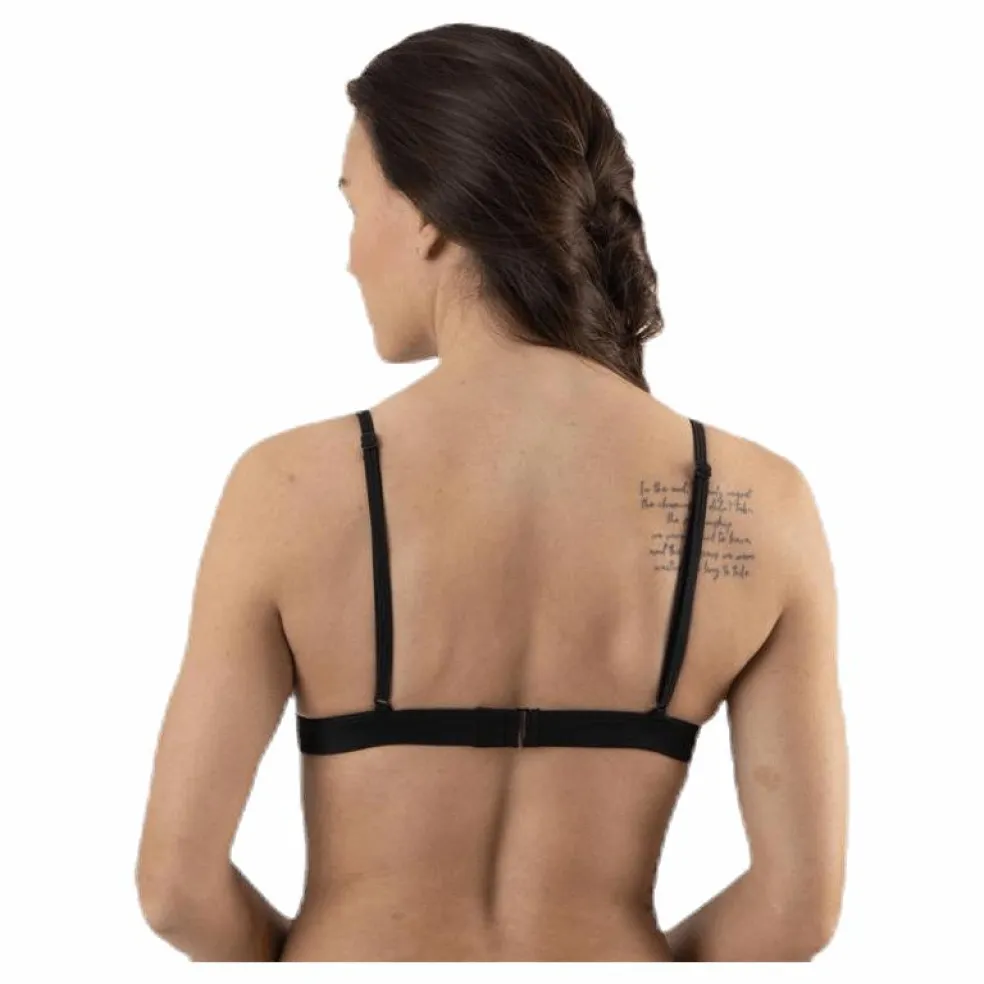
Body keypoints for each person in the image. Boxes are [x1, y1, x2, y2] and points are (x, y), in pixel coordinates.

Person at [135, 22, 846, 962]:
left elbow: (176, 890)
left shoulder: (290, 487)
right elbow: (797, 910)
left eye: (354, 206)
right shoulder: (756, 502)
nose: (350, 255)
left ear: (428, 215)